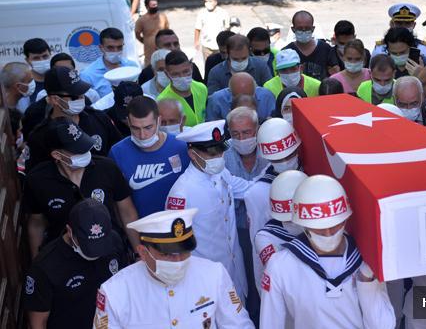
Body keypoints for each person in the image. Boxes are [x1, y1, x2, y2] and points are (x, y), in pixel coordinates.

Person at [260, 174, 396, 329]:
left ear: (345, 219)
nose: (328, 233)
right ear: (303, 224)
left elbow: (384, 326)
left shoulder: (363, 258)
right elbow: (270, 324)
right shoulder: (280, 266)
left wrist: (366, 282)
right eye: (319, 228)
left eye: (335, 225)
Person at [93, 208, 255, 328]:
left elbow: (239, 325)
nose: (178, 260)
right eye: (168, 254)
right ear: (143, 253)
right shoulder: (115, 292)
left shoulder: (214, 274)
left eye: (184, 252)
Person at [166, 120, 257, 303]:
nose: (219, 157)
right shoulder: (181, 193)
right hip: (205, 284)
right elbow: (174, 247)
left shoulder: (221, 173)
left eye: (221, 151)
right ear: (192, 154)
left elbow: (249, 189)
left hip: (236, 275)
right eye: (212, 154)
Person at [23, 119, 139, 258]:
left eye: (85, 146)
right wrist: (37, 261)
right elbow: (36, 224)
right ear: (57, 155)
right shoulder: (38, 180)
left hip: (109, 251)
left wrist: (137, 252)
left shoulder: (107, 168)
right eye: (78, 151)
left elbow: (127, 212)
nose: (85, 153)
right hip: (65, 258)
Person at [24, 199, 128, 329]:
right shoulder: (45, 267)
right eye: (89, 246)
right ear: (70, 231)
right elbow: (38, 323)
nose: (96, 254)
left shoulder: (114, 242)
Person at [24, 66, 123, 172]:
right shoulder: (39, 137)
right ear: (54, 99)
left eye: (82, 94)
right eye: (75, 97)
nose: (81, 99)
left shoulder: (99, 119)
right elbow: (36, 177)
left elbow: (120, 153)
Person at [224, 107, 270, 323]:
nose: (241, 139)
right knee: (248, 282)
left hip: (268, 228)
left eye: (247, 132)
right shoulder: (224, 156)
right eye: (235, 134)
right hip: (238, 231)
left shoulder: (270, 150)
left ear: (257, 130)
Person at [109, 96, 190, 218]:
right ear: (128, 123)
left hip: (181, 227)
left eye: (148, 127)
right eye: (135, 128)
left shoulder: (182, 147)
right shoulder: (117, 153)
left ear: (158, 121)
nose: (142, 135)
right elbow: (120, 205)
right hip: (141, 231)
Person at [244, 118, 302, 260]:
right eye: (277, 159)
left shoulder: (312, 172)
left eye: (289, 155)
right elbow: (258, 242)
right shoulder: (257, 193)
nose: (285, 162)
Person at [252, 170, 306, 295]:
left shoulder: (323, 227)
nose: (292, 221)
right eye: (286, 219)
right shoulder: (265, 237)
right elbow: (283, 276)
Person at [81, 28, 138, 97]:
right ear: (101, 47)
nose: (115, 51)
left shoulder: (132, 66)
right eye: (110, 47)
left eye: (119, 47)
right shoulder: (88, 75)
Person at [206, 34, 272, 95]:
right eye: (235, 59)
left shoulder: (261, 66)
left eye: (244, 58)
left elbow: (269, 94)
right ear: (228, 55)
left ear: (249, 52)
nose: (240, 62)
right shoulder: (216, 73)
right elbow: (213, 100)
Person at [283, 10, 340, 80]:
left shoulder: (325, 48)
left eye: (307, 28)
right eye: (300, 28)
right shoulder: (286, 52)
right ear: (293, 29)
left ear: (313, 29)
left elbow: (335, 73)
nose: (303, 31)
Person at [157, 50, 208, 126]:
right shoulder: (163, 100)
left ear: (191, 67)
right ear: (167, 74)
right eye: (175, 74)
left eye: (186, 71)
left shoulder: (201, 88)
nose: (182, 77)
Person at [137, 29, 204, 84]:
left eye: (176, 44)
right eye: (167, 45)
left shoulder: (191, 68)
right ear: (157, 49)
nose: (173, 48)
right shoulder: (147, 73)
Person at [33, 53, 101, 105]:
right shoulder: (42, 96)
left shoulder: (91, 94)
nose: (65, 72)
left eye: (68, 69)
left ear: (75, 71)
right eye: (60, 70)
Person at [207, 72, 276, 123]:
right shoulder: (216, 100)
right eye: (239, 97)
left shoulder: (267, 97)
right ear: (230, 91)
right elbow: (211, 129)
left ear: (255, 89)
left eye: (248, 96)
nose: (244, 101)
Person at [135, 0, 169, 66]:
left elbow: (167, 31)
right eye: (152, 5)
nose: (154, 7)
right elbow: (137, 34)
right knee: (150, 68)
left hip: (163, 48)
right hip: (149, 51)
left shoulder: (163, 16)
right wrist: (145, 41)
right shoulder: (141, 20)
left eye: (155, 5)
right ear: (147, 6)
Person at [23, 38, 51, 103]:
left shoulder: (60, 79)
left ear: (50, 55)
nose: (41, 60)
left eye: (45, 56)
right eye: (36, 58)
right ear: (27, 60)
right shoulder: (25, 85)